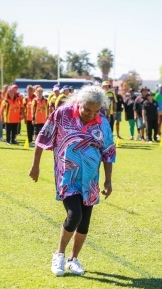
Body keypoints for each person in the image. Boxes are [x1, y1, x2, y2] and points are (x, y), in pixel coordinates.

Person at [29, 85, 115, 276]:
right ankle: (59, 254)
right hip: (66, 176)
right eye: (87, 109)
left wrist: (108, 181)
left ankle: (73, 259)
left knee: (84, 222)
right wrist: (35, 165)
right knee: (74, 215)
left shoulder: (103, 123)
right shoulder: (63, 114)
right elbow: (43, 136)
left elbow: (108, 152)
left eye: (95, 111)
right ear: (79, 103)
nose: (91, 114)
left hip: (90, 179)